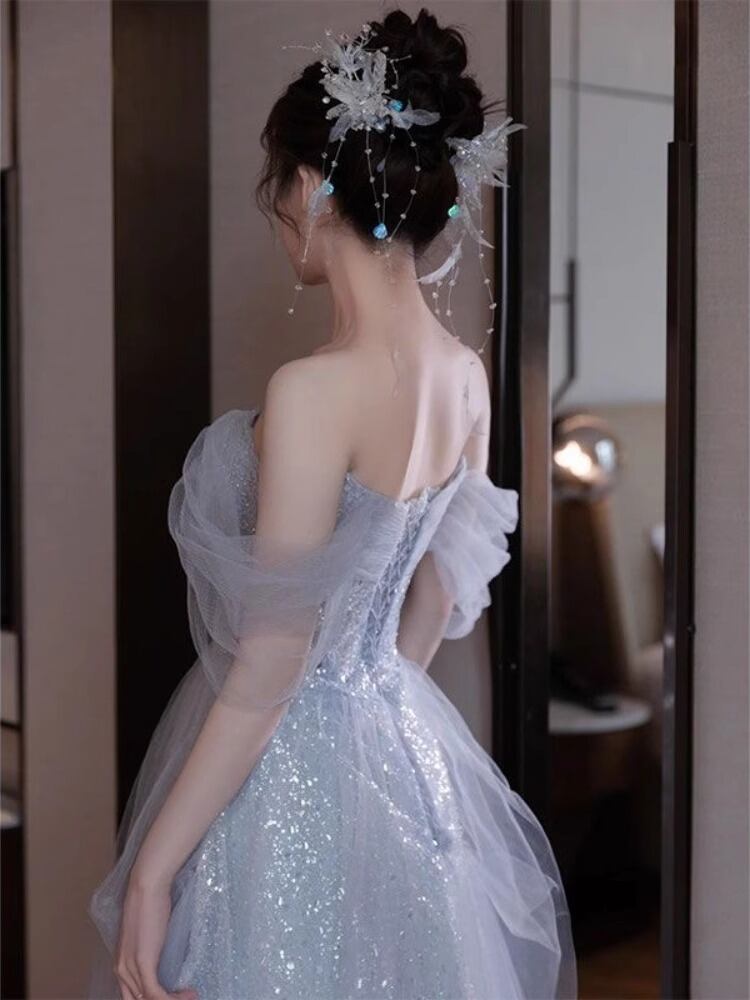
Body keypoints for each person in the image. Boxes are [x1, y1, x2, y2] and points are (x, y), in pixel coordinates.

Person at [88, 9, 577, 999]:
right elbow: (438, 593)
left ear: (311, 187)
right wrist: (373, 716)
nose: (277, 211)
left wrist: (149, 873)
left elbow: (273, 658)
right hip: (407, 749)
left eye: (279, 185)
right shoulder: (467, 375)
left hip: (290, 770)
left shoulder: (315, 391)